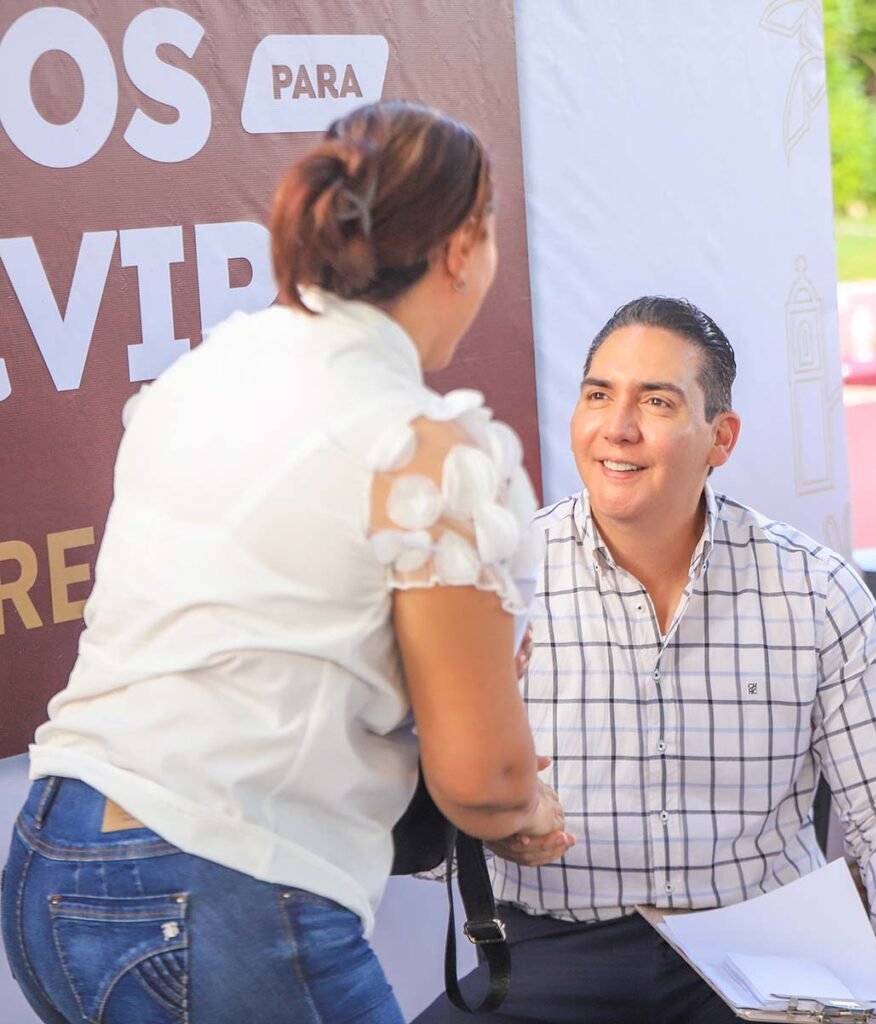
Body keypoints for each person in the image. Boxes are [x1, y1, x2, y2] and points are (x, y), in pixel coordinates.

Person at [1, 101, 566, 1024]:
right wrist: (529, 810)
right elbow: (482, 781)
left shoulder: (208, 369)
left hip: (50, 863)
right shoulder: (433, 450)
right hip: (217, 886)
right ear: (462, 248)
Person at [417, 296, 876, 1024]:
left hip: (768, 954)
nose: (617, 428)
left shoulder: (815, 589)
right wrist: (490, 815)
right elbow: (417, 816)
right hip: (549, 951)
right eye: (598, 396)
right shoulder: (496, 582)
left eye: (656, 402)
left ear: (721, 437)